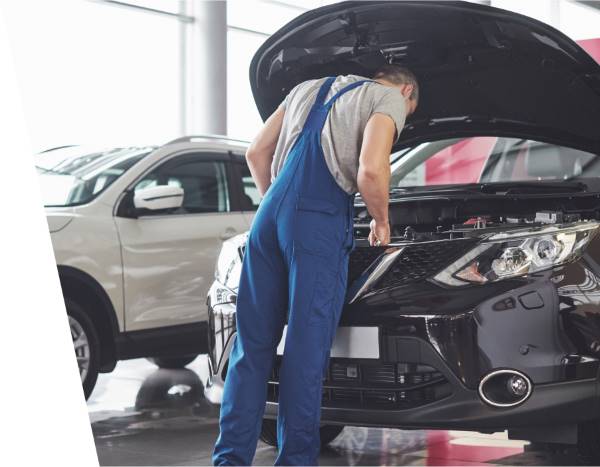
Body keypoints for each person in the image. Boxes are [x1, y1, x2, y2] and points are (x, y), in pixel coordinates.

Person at [213, 65, 419, 466]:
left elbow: (256, 152)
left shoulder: (304, 88)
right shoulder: (389, 98)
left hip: (268, 216)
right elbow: (372, 169)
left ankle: (229, 460)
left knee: (250, 348)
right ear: (407, 91)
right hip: (317, 221)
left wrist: (280, 204)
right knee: (305, 352)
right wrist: (381, 220)